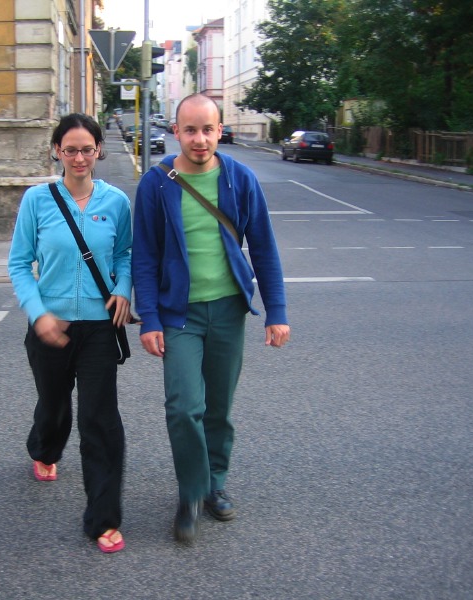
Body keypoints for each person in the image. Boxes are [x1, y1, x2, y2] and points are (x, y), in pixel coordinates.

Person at [131, 94, 290, 544]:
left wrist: (275, 312)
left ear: (221, 131)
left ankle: (214, 482)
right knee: (184, 407)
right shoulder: (157, 183)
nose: (199, 139)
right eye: (189, 130)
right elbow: (144, 256)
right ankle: (191, 491)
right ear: (175, 132)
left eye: (207, 129)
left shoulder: (240, 179)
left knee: (218, 407)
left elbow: (263, 248)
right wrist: (151, 319)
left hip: (227, 310)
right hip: (179, 315)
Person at [8, 113, 133, 554]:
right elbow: (19, 263)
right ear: (57, 151)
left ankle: (103, 518)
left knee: (100, 420)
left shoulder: (116, 201)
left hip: (100, 328)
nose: (79, 157)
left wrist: (121, 289)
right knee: (54, 404)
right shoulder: (38, 200)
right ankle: (44, 448)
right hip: (50, 326)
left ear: (98, 151)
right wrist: (38, 313)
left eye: (87, 149)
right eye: (70, 149)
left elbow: (126, 253)